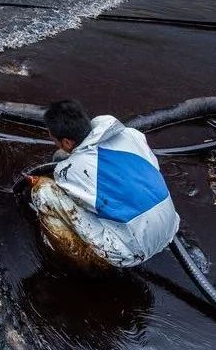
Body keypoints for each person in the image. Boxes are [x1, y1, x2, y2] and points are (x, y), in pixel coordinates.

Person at [24, 100, 179, 270]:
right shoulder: (132, 134)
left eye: (53, 138)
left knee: (43, 192)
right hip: (170, 227)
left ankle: (83, 264)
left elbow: (78, 201)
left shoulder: (70, 171)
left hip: (131, 251)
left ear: (67, 143)